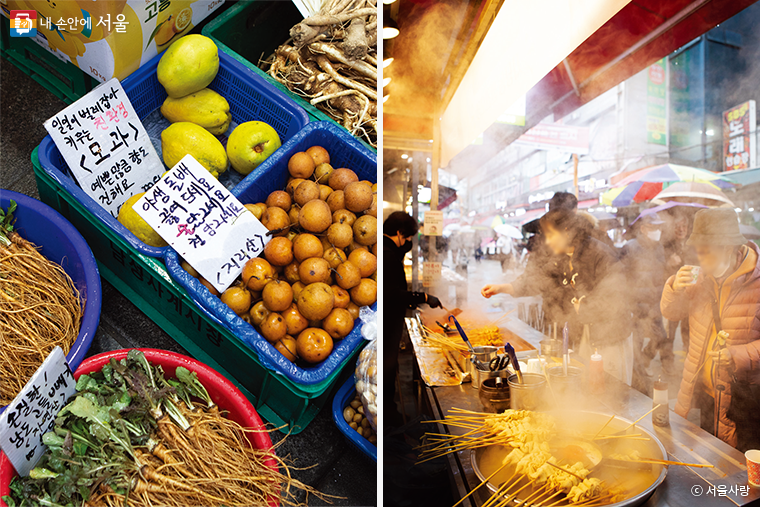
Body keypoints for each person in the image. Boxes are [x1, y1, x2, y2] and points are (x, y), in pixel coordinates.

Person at [661, 208, 760, 451]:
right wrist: (674, 286)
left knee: (739, 474)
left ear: (728, 248)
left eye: (706, 252)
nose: (700, 259)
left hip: (742, 398)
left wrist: (736, 355)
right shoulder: (700, 278)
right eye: (698, 251)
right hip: (706, 391)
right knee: (710, 460)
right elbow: (671, 312)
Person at [481, 192, 578, 326]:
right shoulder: (545, 242)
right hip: (553, 314)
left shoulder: (590, 245)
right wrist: (502, 288)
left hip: (586, 322)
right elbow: (534, 279)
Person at [384, 211, 442, 428]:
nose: (408, 243)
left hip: (391, 324)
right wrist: (424, 297)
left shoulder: (387, 251)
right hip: (388, 325)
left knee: (390, 369)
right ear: (400, 233)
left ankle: (391, 414)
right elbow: (393, 294)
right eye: (407, 238)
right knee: (388, 370)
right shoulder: (388, 255)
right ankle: (390, 419)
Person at [621, 212, 671, 389]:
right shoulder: (630, 247)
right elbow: (623, 278)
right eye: (653, 227)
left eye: (659, 227)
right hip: (638, 305)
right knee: (637, 341)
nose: (657, 230)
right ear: (643, 229)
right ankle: (637, 380)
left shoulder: (658, 248)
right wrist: (632, 303)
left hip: (655, 303)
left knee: (661, 337)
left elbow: (661, 273)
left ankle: (644, 362)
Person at [663, 213, 698, 354]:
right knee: (669, 329)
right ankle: (667, 361)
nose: (681, 229)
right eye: (677, 226)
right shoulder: (666, 245)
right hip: (673, 292)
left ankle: (688, 353)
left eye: (684, 226)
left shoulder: (694, 243)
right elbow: (655, 267)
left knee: (688, 327)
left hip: (690, 292)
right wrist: (668, 263)